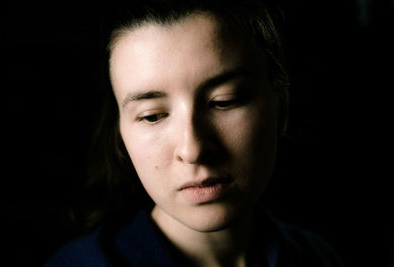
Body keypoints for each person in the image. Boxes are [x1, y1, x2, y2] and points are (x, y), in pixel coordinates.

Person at [45, 0, 345, 266]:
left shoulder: (318, 256)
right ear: (120, 134)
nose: (193, 149)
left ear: (282, 109)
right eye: (152, 116)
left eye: (224, 101)